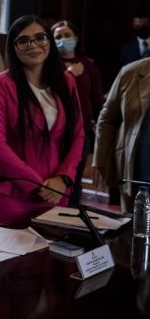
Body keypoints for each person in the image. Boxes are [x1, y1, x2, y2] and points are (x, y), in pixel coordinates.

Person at [0, 15, 84, 227]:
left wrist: (64, 178)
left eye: (40, 38)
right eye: (24, 40)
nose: (33, 45)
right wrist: (37, 185)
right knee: (11, 259)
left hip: (57, 192)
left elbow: (78, 134)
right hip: (12, 195)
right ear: (13, 47)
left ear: (48, 41)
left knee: (56, 257)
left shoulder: (67, 82)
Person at [51, 20, 104, 202]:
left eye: (67, 35)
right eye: (58, 37)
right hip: (54, 132)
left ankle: (72, 217)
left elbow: (97, 99)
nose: (63, 40)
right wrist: (69, 74)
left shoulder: (88, 64)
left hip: (81, 133)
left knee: (74, 181)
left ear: (75, 38)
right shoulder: (49, 67)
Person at [93, 57, 150, 212]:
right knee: (133, 230)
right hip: (136, 175)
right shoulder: (131, 72)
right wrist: (100, 160)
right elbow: (107, 119)